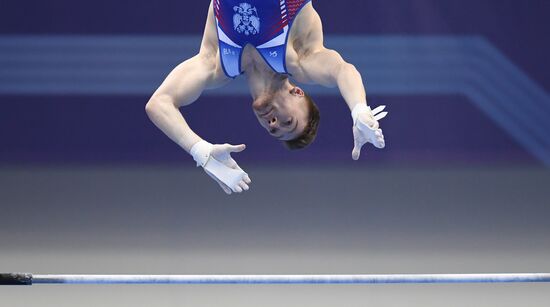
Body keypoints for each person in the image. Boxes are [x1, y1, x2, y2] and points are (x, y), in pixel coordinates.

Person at [145, 0, 388, 195]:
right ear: (297, 92)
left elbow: (158, 104)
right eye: (287, 122)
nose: (273, 123)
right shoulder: (299, 58)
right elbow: (342, 70)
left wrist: (201, 152)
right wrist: (358, 109)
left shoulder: (217, 66)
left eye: (273, 130)